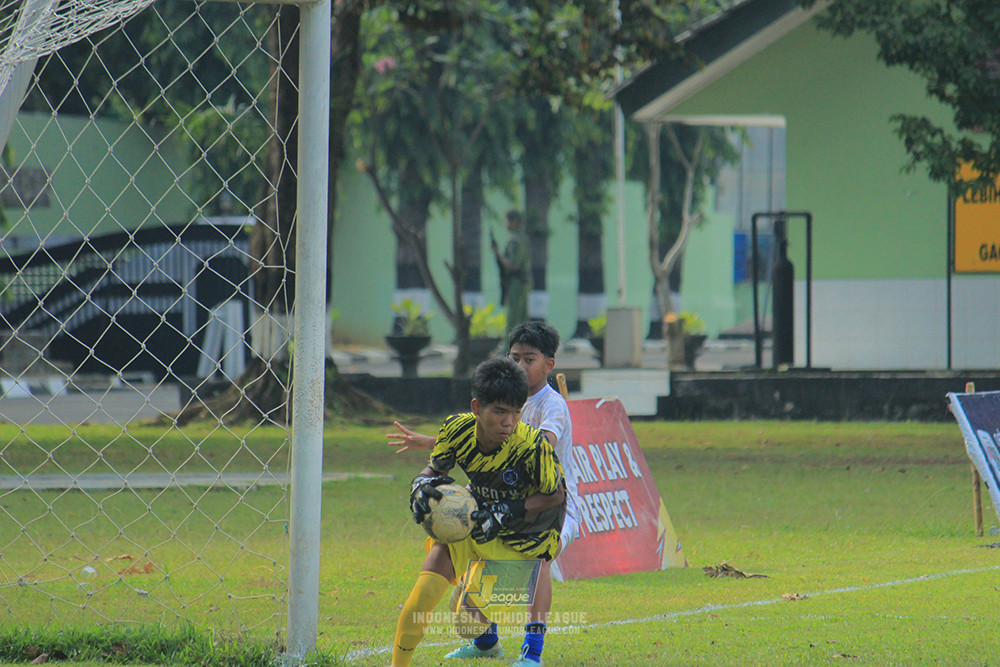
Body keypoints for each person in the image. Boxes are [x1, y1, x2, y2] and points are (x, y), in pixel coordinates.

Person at [391, 357, 565, 667]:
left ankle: (512, 646)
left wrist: (505, 511)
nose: (508, 422)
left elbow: (555, 495)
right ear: (476, 407)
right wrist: (419, 486)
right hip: (477, 522)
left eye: (515, 412)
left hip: (524, 540)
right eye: (499, 412)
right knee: (422, 595)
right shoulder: (455, 429)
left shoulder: (531, 447)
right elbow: (433, 469)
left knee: (465, 622)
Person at [388, 321, 581, 556]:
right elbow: (478, 434)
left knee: (536, 560)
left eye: (529, 360)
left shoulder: (553, 406)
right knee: (453, 526)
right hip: (507, 495)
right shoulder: (502, 396)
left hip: (551, 504)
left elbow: (538, 449)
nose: (520, 366)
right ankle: (459, 583)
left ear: (548, 365)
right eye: (514, 358)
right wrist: (433, 448)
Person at [492, 209, 531, 336]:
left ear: (514, 222)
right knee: (522, 318)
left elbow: (513, 265)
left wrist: (497, 254)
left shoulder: (514, 241)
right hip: (524, 282)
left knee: (513, 319)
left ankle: (509, 350)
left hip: (516, 282)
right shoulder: (523, 238)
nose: (506, 224)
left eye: (508, 221)